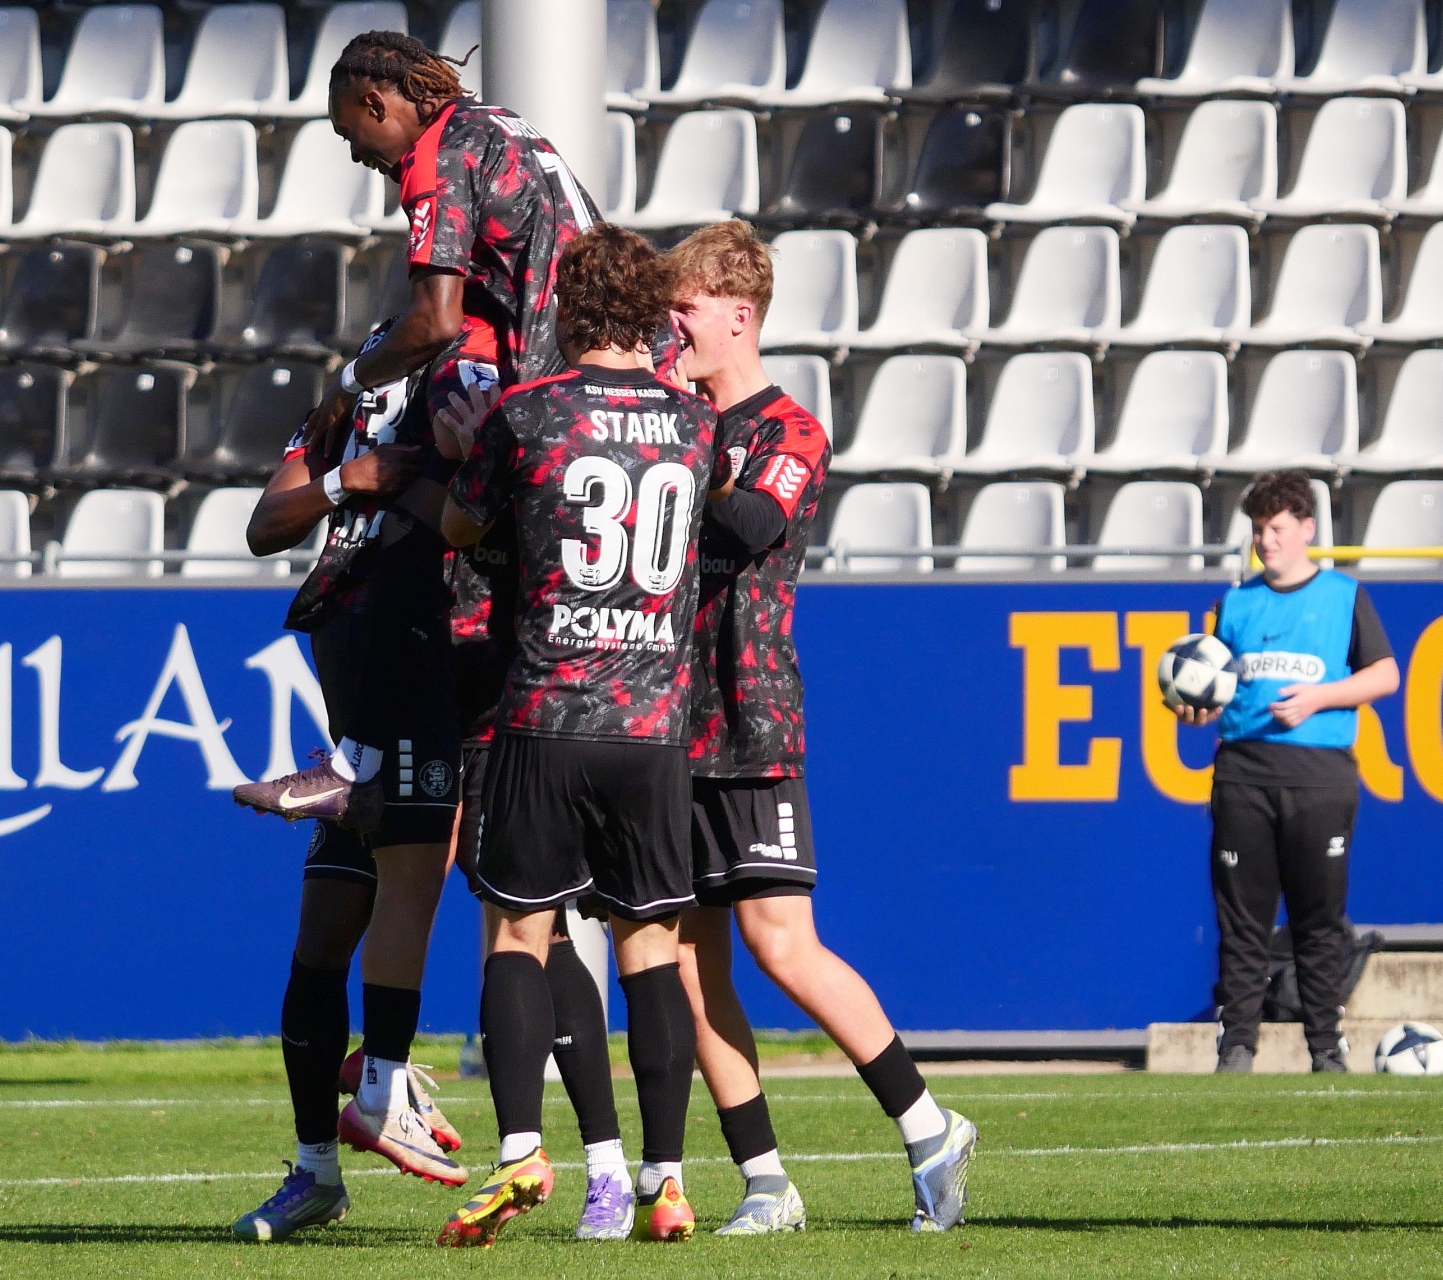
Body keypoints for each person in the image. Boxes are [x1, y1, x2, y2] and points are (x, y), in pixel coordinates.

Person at [661, 221, 978, 1236]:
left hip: (749, 715)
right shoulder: (668, 420)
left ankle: (930, 1127)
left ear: (738, 313)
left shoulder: (789, 428)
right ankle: (766, 1182)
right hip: (662, 723)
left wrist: (679, 453)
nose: (670, 326)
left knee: (782, 944)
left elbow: (753, 524)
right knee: (685, 967)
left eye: (684, 308)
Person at [436, 223, 718, 1247]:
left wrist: (470, 460)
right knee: (651, 947)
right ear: (650, 314)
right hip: (653, 726)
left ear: (563, 308)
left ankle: (521, 1151)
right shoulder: (697, 424)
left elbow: (461, 527)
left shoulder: (527, 412)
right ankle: (666, 1180)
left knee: (518, 931)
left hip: (544, 712)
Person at [254, 28, 597, 822]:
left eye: (351, 132)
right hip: (597, 375)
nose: (357, 154)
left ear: (377, 103)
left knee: (403, 522)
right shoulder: (506, 125)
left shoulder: (437, 152)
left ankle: (362, 759)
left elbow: (434, 320)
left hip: (540, 382)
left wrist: (349, 384)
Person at [230, 323, 469, 1242]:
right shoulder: (343, 413)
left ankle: (402, 1087)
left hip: (432, 681)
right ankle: (317, 1169)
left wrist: (413, 477)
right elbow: (265, 526)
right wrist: (348, 480)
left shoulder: (467, 395)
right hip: (358, 703)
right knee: (322, 935)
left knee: (512, 913)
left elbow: (480, 521)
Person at [1179, 472, 1400, 1075]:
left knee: (1318, 920)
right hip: (1243, 775)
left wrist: (1319, 698)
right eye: (1257, 530)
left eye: (1276, 528)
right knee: (1242, 921)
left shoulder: (1343, 595)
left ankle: (1325, 1047)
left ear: (1306, 529)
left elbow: (1385, 674)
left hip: (1319, 777)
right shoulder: (1235, 603)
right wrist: (1194, 707)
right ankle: (1237, 1046)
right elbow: (1216, 689)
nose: (1266, 541)